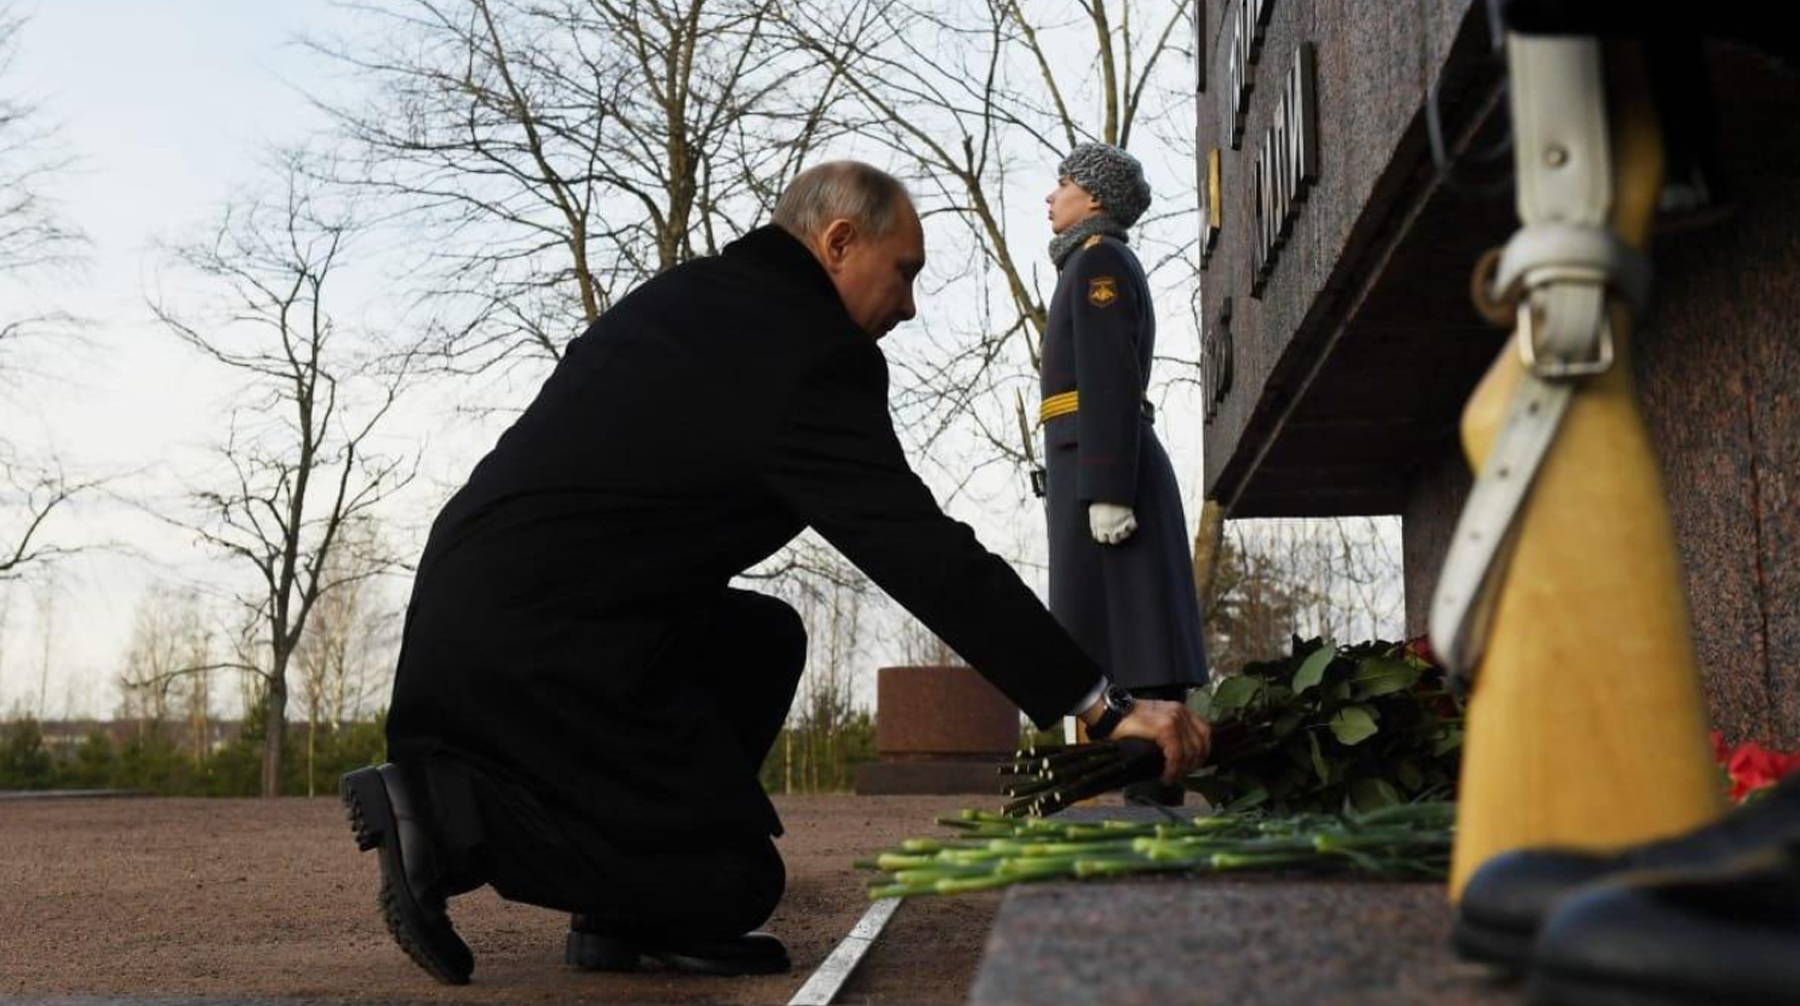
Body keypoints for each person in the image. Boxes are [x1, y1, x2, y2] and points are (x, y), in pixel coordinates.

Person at [340, 161, 1212, 985]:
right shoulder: (805, 354)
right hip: (542, 656)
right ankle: (450, 815)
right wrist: (1101, 705)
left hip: (500, 621)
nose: (908, 306)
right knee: (733, 884)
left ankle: (621, 911)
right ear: (837, 243)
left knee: (762, 638)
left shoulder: (697, 298)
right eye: (903, 272)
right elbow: (923, 552)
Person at [1039, 143, 1210, 803]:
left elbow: (1108, 375)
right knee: (1113, 634)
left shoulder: (1099, 261)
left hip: (1111, 473)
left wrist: (1107, 487)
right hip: (1090, 467)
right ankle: (1139, 791)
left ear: (1096, 199)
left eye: (1063, 183)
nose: (1051, 196)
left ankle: (1151, 796)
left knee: (1138, 636)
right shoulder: (1084, 263)